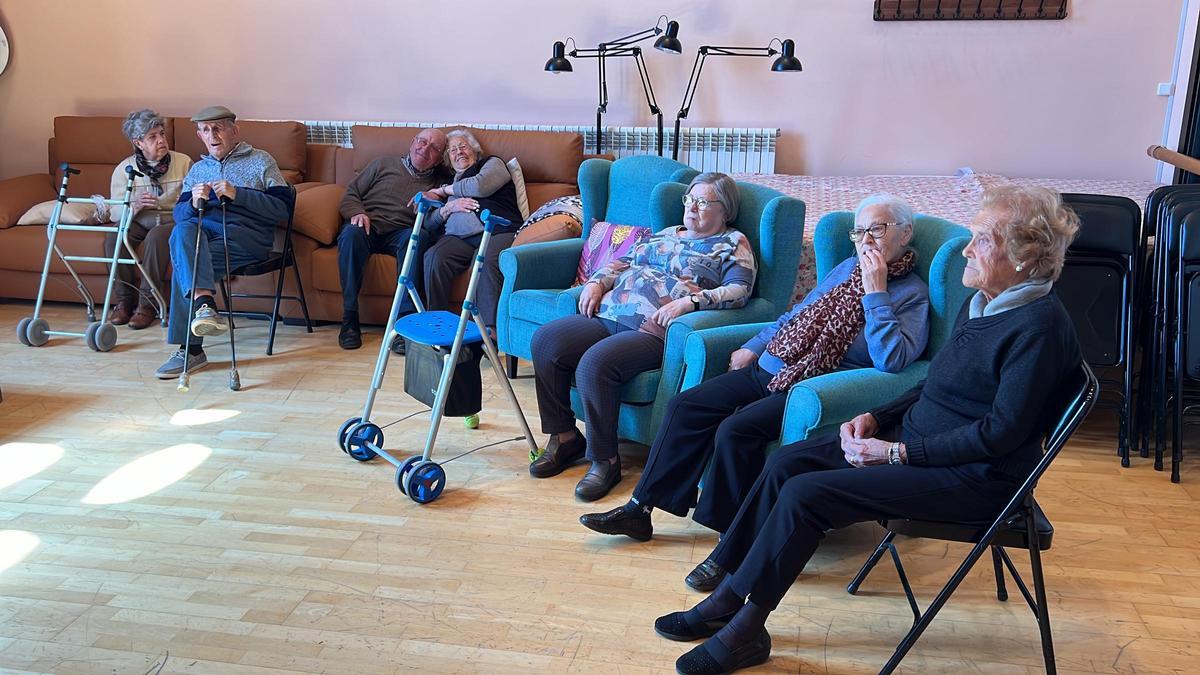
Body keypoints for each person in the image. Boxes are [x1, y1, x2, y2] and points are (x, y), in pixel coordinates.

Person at [649, 185, 1081, 675]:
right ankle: (726, 594)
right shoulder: (986, 302)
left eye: (982, 239)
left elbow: (998, 437)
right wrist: (880, 417)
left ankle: (747, 628)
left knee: (808, 494)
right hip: (918, 444)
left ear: (1025, 257)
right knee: (785, 462)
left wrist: (895, 455)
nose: (966, 249)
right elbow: (934, 383)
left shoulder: (1039, 329)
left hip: (977, 478)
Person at [580, 194, 931, 589]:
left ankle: (729, 542)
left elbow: (894, 360)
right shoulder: (845, 268)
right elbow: (796, 314)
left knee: (737, 429)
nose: (866, 240)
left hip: (811, 382)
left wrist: (876, 293)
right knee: (686, 405)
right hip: (774, 363)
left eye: (878, 229)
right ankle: (639, 509)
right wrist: (756, 345)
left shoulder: (911, 293)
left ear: (905, 234)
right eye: (860, 231)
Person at [529, 172, 758, 501]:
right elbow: (622, 261)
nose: (692, 207)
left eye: (703, 202)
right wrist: (597, 281)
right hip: (609, 313)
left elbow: (740, 290)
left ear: (726, 211)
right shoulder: (664, 234)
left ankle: (605, 460)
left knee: (595, 364)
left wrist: (691, 301)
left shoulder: (732, 243)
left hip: (652, 328)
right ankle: (564, 437)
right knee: (546, 341)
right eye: (690, 200)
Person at [154, 106, 291, 380]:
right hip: (205, 238)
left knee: (186, 263)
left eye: (218, 128)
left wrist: (239, 195)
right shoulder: (198, 170)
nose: (212, 135)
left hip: (246, 239)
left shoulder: (262, 160)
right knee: (182, 236)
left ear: (234, 130)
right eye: (206, 130)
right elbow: (180, 216)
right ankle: (205, 304)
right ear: (199, 136)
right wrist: (193, 202)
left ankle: (190, 351)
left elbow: (282, 209)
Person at [336, 128, 452, 350]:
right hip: (367, 225)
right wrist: (357, 212)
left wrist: (436, 194)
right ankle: (349, 319)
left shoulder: (440, 183)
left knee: (417, 238)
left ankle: (404, 326)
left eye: (434, 147)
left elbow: (446, 208)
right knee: (350, 234)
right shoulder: (382, 164)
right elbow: (351, 193)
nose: (425, 148)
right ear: (412, 142)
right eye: (422, 141)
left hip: (401, 233)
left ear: (440, 158)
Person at [420, 129, 523, 333]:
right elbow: (429, 224)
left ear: (475, 150)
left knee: (483, 261)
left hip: (498, 229)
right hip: (459, 239)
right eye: (452, 150)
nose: (458, 152)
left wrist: (444, 191)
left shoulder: (492, 164)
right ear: (448, 159)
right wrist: (448, 207)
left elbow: (480, 186)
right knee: (434, 256)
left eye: (463, 146)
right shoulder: (452, 184)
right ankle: (438, 327)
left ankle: (488, 335)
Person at [105, 109, 192, 329]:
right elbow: (114, 212)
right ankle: (124, 302)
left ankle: (147, 305)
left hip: (172, 220)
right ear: (139, 143)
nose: (162, 140)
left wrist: (171, 203)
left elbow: (192, 200)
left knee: (156, 237)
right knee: (114, 237)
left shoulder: (183, 163)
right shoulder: (125, 170)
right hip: (139, 220)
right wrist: (134, 206)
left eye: (162, 134)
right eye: (153, 137)